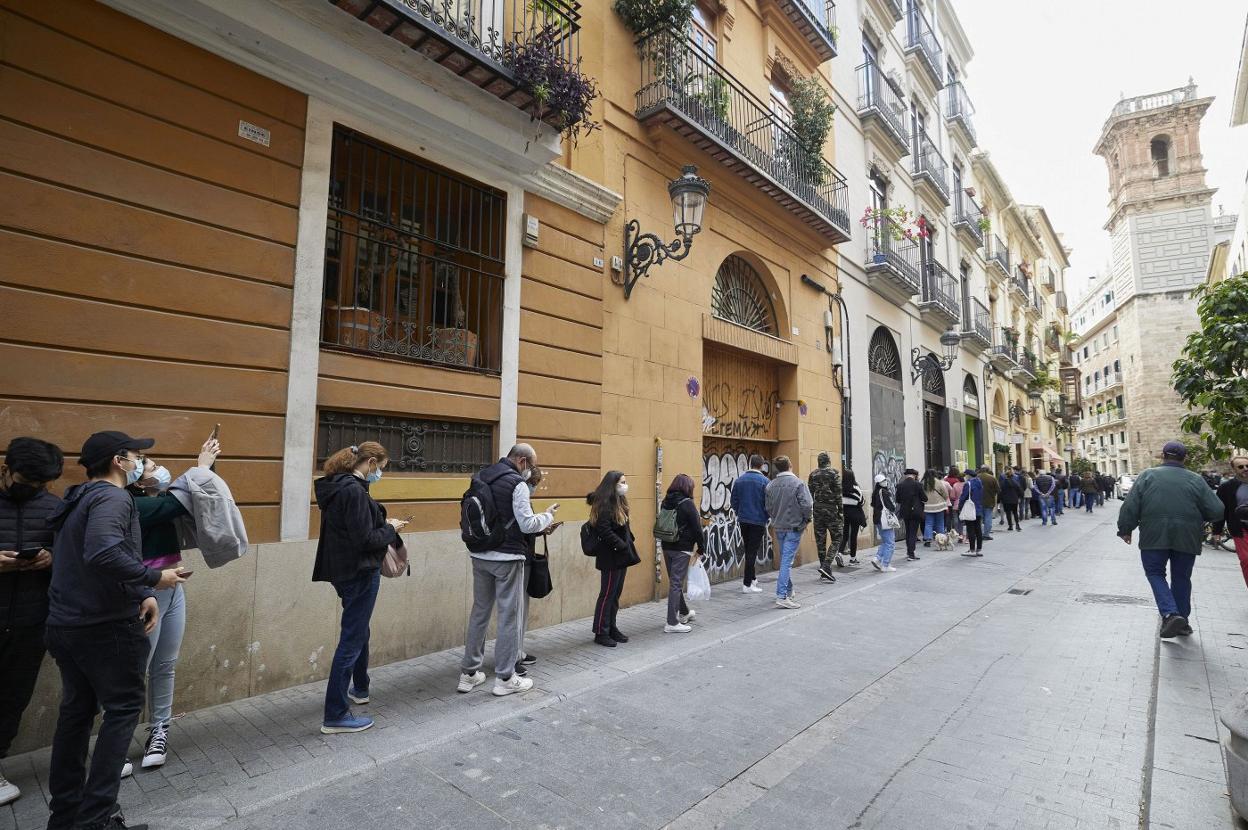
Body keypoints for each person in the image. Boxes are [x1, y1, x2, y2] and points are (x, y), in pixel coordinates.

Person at [46, 431, 186, 830]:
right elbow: (104, 551)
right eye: (137, 456)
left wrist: (140, 590)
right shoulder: (112, 497)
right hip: (103, 627)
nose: (142, 462)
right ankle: (97, 820)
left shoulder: (78, 496)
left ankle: (67, 817)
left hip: (68, 624)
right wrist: (154, 578)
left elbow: (91, 558)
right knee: (122, 711)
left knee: (75, 716)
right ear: (117, 461)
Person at [124, 436, 220, 769]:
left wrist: (207, 466)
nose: (160, 470)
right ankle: (117, 741)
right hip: (143, 592)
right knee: (134, 669)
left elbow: (192, 499)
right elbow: (177, 504)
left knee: (165, 664)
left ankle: (159, 730)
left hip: (173, 588)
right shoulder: (129, 503)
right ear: (134, 472)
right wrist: (201, 468)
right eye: (150, 465)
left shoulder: (156, 496)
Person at [314, 442, 406, 732]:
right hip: (359, 570)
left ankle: (360, 687)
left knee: (359, 629)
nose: (380, 474)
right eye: (381, 468)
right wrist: (391, 529)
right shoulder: (353, 491)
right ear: (370, 463)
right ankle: (336, 714)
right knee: (351, 639)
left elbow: (354, 530)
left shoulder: (337, 486)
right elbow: (365, 539)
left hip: (342, 569)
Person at [0, 437, 63, 807]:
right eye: (26, 481)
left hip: (29, 623)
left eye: (41, 485)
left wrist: (49, 557)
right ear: (6, 469)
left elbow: (71, 557)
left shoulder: (54, 508)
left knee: (11, 700)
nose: (34, 490)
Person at [459, 444, 552, 689]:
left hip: (479, 555)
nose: (531, 472)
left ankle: (469, 674)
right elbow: (526, 524)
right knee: (509, 617)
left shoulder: (482, 475)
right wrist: (548, 516)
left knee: (479, 613)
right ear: (521, 461)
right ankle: (505, 678)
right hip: (507, 558)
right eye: (531, 466)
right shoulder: (517, 484)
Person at [1118, 441, 1224, 639]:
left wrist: (1125, 529)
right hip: (1187, 535)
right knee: (1182, 577)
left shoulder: (1147, 476)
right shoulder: (1196, 479)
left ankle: (1170, 614)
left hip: (1154, 535)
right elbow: (1217, 510)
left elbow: (1130, 506)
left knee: (1155, 573)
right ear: (1185, 458)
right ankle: (1182, 622)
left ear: (1162, 455)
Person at [587, 471, 639, 646]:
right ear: (612, 485)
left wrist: (628, 540)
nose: (625, 485)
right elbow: (604, 530)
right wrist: (621, 544)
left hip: (620, 555)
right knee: (607, 594)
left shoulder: (619, 501)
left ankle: (611, 627)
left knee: (615, 594)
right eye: (621, 482)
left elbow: (622, 526)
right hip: (610, 556)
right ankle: (601, 632)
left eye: (625, 481)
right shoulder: (604, 504)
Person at [515, 466, 557, 677]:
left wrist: (542, 529)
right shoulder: (519, 494)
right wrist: (546, 518)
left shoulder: (523, 497)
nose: (534, 489)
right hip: (519, 559)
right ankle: (512, 656)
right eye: (534, 485)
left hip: (526, 556)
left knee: (523, 607)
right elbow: (523, 528)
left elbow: (528, 530)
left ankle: (518, 651)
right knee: (517, 609)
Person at [658, 474, 705, 633]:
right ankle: (671, 622)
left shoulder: (666, 501)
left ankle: (684, 612)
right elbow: (697, 528)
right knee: (676, 584)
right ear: (687, 487)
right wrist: (701, 548)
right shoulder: (687, 504)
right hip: (682, 548)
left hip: (666, 545)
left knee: (674, 581)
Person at [765, 456, 812, 608]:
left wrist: (776, 518)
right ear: (790, 465)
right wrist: (805, 520)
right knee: (786, 561)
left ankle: (788, 590)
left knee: (785, 559)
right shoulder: (798, 483)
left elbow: (768, 507)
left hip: (779, 526)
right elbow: (807, 505)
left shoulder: (770, 485)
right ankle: (782, 595)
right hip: (794, 527)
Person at [729, 455, 768, 593]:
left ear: (750, 464)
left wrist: (740, 512)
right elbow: (768, 503)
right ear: (762, 465)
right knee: (752, 552)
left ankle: (753, 578)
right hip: (758, 521)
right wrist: (766, 516)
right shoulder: (765, 481)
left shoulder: (740, 481)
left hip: (744, 520)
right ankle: (747, 584)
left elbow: (733, 501)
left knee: (748, 550)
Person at [1211, 453, 1248, 589]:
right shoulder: (1226, 487)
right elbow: (1221, 510)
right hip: (1240, 529)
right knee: (1246, 560)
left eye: (1247, 465)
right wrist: (1217, 531)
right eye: (1241, 466)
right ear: (1234, 469)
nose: (1245, 468)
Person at [808, 452, 842, 582]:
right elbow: (839, 494)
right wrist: (841, 512)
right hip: (832, 509)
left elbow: (810, 493)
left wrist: (814, 508)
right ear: (828, 461)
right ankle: (827, 565)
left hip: (818, 510)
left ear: (818, 461)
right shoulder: (834, 473)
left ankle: (823, 571)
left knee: (820, 541)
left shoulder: (813, 474)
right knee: (837, 538)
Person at [894, 468, 924, 561]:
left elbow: (897, 500)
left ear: (906, 475)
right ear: (914, 476)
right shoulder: (918, 485)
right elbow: (925, 498)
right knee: (913, 533)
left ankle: (908, 552)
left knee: (908, 532)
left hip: (905, 512)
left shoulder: (900, 485)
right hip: (916, 512)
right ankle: (911, 554)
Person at [838, 470, 866, 565]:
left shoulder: (840, 488)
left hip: (844, 514)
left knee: (845, 535)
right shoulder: (856, 488)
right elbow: (861, 502)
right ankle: (853, 559)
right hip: (855, 514)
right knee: (853, 536)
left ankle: (839, 553)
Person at [870, 474, 898, 572]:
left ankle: (877, 558)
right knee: (890, 543)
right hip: (885, 520)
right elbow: (891, 507)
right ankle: (885, 565)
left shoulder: (875, 492)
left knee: (885, 541)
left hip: (878, 520)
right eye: (883, 481)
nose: (885, 482)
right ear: (879, 483)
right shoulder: (884, 492)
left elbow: (873, 505)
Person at [957, 468, 985, 556]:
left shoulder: (968, 484)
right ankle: (979, 549)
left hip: (970, 509)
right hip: (979, 508)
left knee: (970, 529)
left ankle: (972, 550)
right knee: (978, 529)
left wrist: (960, 507)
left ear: (968, 475)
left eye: (965, 475)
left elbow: (963, 497)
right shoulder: (979, 482)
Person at [921, 469, 951, 547]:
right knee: (940, 523)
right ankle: (942, 539)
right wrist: (944, 499)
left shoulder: (923, 482)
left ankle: (928, 539)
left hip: (928, 506)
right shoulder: (938, 482)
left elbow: (921, 494)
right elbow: (945, 493)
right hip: (939, 506)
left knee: (928, 523)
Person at [977, 467, 999, 540]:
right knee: (988, 517)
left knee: (979, 518)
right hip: (989, 501)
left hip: (978, 501)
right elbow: (998, 490)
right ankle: (986, 534)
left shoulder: (977, 477)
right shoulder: (992, 478)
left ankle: (979, 533)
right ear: (988, 471)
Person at [998, 467, 1023, 532]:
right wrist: (1020, 497)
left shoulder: (1003, 483)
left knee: (1008, 513)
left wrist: (999, 500)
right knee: (1015, 512)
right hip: (1014, 499)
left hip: (1006, 500)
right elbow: (1020, 490)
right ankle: (1017, 525)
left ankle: (1010, 526)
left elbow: (1000, 492)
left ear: (1006, 475)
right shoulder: (1015, 482)